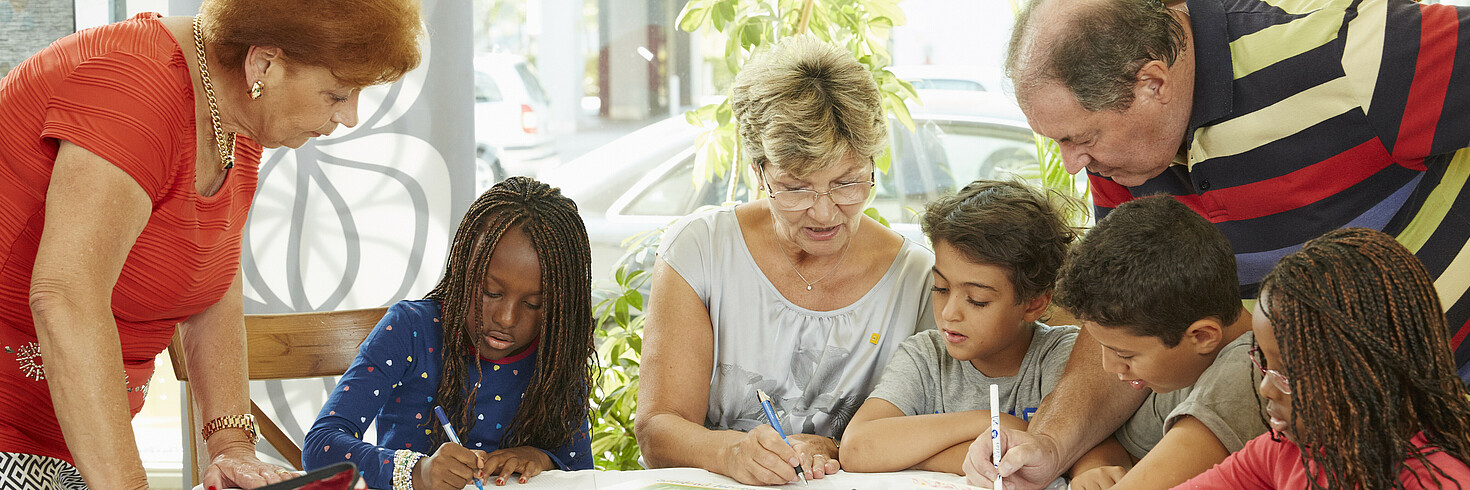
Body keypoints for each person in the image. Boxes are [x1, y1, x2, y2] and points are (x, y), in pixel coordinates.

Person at [967, 0, 1470, 487]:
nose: (1073, 162)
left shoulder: (1343, 51)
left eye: (1082, 137)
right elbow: (1124, 324)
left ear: (1152, 82)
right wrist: (1050, 446)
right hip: (1320, 439)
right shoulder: (1123, 162)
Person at [0, 0, 421, 487]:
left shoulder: (233, 114)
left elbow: (212, 277)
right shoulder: (134, 88)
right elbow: (66, 298)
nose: (349, 116)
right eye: (337, 94)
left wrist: (232, 446)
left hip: (57, 448)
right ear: (264, 63)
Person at [634, 35, 937, 486]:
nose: (824, 211)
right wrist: (729, 452)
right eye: (796, 187)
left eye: (848, 182)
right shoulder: (700, 251)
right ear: (758, 170)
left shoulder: (918, 281)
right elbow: (658, 429)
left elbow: (931, 434)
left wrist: (836, 449)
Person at [304, 177, 596, 490]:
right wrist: (418, 472)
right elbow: (321, 446)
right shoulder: (411, 329)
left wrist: (540, 457)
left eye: (534, 304)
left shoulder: (555, 354)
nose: (506, 318)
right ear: (460, 268)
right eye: (490, 292)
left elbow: (581, 471)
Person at [979, 195, 1266, 489]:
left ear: (1202, 336)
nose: (1110, 366)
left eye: (1124, 353)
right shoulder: (1176, 363)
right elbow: (1117, 441)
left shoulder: (1247, 372)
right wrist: (1095, 465)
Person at [1181, 228, 1470, 488]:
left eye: (1290, 374)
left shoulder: (1439, 480)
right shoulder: (1288, 452)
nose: (1265, 388)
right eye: (1266, 364)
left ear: (1368, 373)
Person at [839, 180, 1082, 475]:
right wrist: (992, 421)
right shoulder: (925, 356)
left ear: (1033, 304)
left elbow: (1090, 451)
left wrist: (913, 456)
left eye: (977, 300)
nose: (949, 313)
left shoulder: (1062, 355)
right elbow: (856, 449)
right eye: (940, 288)